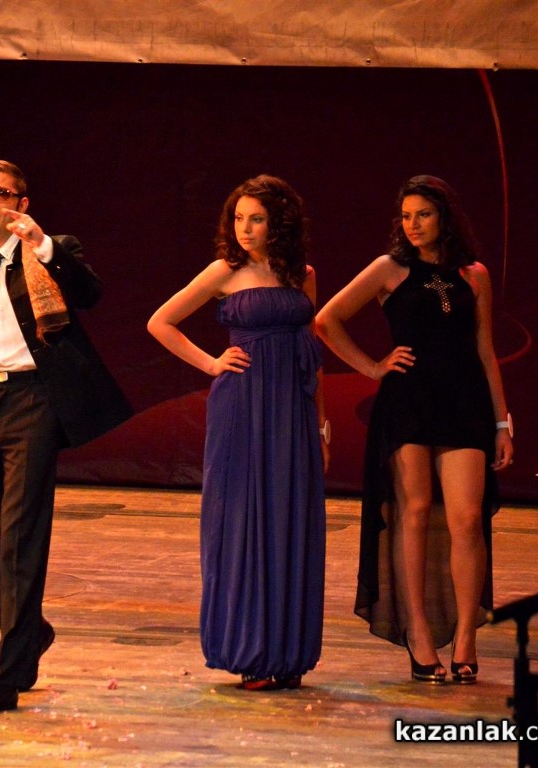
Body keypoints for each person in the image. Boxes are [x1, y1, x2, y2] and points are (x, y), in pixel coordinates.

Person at [0, 160, 131, 712]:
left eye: (1, 193)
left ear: (20, 204)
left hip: (33, 399)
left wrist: (42, 244)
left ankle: (5, 677)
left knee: (20, 534)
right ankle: (29, 632)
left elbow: (90, 293)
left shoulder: (49, 251)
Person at [316, 175, 512, 685]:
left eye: (423, 214)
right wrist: (372, 367)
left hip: (465, 403)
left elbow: (485, 349)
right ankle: (419, 633)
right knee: (415, 512)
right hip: (408, 403)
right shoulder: (389, 268)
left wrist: (501, 421)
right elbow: (327, 319)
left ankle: (466, 637)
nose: (413, 224)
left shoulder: (474, 274)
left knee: (467, 518)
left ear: (444, 216)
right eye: (405, 216)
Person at [148, 175, 328, 691]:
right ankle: (250, 649)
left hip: (292, 410)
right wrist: (211, 363)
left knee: (290, 518)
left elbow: (310, 352)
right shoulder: (224, 270)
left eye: (257, 219)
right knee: (245, 516)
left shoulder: (302, 275)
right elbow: (160, 322)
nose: (244, 229)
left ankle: (287, 653)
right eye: (238, 218)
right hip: (243, 406)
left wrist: (320, 423)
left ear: (279, 223)